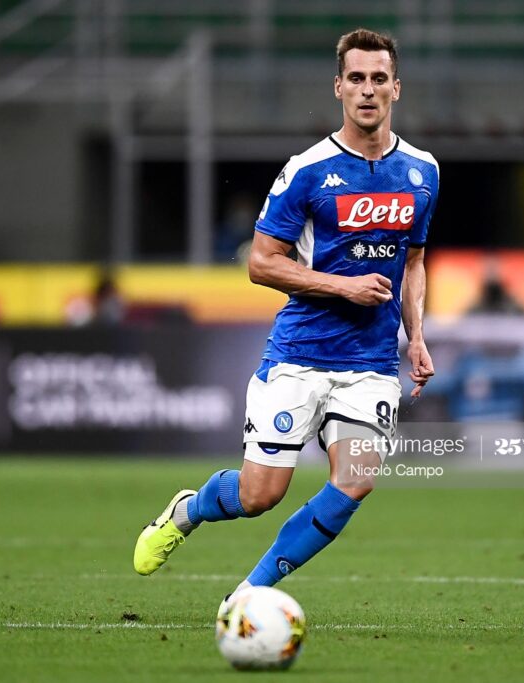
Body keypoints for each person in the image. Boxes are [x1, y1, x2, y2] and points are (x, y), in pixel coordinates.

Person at [133, 28, 439, 599]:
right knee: (259, 495)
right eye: (356, 78)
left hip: (372, 361)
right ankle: (188, 509)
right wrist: (343, 287)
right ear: (338, 87)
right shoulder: (307, 170)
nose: (367, 90)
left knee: (355, 481)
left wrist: (416, 335)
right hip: (300, 354)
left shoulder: (423, 171)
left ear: (396, 88)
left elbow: (415, 260)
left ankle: (250, 593)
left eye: (378, 79)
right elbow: (260, 263)